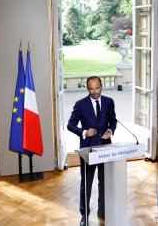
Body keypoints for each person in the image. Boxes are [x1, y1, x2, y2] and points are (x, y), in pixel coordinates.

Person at [67, 76, 117, 226]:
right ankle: (85, 214)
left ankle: (102, 210)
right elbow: (71, 124)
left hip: (105, 147)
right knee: (86, 183)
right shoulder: (80, 104)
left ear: (102, 86)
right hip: (87, 149)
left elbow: (113, 120)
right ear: (87, 88)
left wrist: (110, 130)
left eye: (97, 88)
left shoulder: (109, 102)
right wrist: (83, 132)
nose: (95, 92)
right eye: (91, 89)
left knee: (104, 181)